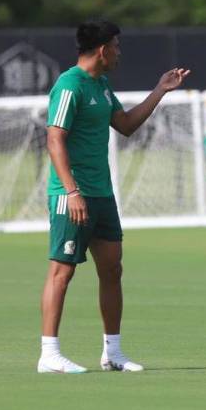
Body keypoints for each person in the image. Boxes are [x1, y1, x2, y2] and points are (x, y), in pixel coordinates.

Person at [38, 20, 190, 374]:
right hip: (71, 195)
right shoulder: (69, 86)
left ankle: (113, 353)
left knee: (112, 269)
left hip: (101, 194)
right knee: (62, 271)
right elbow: (54, 139)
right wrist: (72, 191)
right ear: (103, 49)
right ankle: (49, 354)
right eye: (117, 47)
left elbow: (125, 125)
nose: (120, 53)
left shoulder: (102, 85)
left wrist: (160, 90)